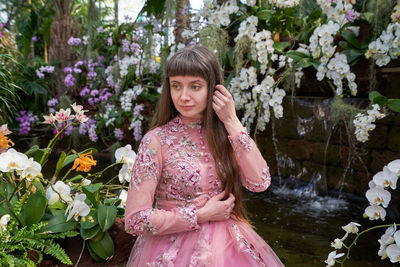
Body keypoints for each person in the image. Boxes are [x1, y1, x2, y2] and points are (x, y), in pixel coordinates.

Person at [124, 46, 284, 266]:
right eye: (176, 86)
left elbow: (260, 182)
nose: (184, 96)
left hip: (228, 247)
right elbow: (135, 220)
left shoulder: (226, 134)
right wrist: (199, 215)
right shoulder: (156, 141)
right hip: (170, 251)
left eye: (195, 86)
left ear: (214, 89)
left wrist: (232, 121)